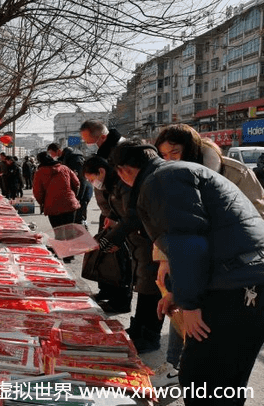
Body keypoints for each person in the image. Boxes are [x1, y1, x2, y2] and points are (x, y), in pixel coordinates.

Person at [110, 140, 264, 406]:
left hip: (239, 284)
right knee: (224, 377)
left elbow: (188, 245)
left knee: (203, 377)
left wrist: (189, 304)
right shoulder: (172, 173)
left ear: (123, 171)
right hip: (241, 276)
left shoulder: (161, 181)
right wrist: (177, 294)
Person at [150, 124, 264, 386]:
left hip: (234, 269)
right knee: (184, 313)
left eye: (174, 152)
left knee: (221, 349)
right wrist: (164, 259)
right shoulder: (171, 177)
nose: (169, 159)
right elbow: (169, 224)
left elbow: (257, 219)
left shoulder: (235, 173)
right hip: (194, 261)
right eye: (163, 155)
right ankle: (174, 367)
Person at [84, 150, 163, 349]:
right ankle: (138, 329)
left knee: (151, 288)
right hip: (137, 241)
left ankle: (149, 336)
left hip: (149, 242)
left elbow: (134, 215)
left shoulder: (127, 184)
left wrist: (113, 238)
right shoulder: (115, 184)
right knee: (143, 285)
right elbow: (124, 213)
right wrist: (115, 221)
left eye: (91, 178)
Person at [79, 119, 127, 307]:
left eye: (93, 141)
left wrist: (115, 216)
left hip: (118, 214)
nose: (92, 145)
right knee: (104, 254)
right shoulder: (105, 151)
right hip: (108, 212)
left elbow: (122, 192)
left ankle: (120, 299)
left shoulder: (121, 151)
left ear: (103, 136)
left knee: (119, 258)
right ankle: (106, 290)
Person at [33, 151, 80, 262]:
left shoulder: (39, 172)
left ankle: (63, 254)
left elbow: (37, 192)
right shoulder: (65, 168)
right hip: (69, 204)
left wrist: (42, 203)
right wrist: (73, 195)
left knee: (59, 231)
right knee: (69, 230)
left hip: (52, 205)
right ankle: (70, 254)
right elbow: (77, 183)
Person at [48, 143, 92, 228]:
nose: (51, 155)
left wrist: (78, 196)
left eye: (51, 152)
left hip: (82, 191)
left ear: (58, 151)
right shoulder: (64, 159)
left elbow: (81, 179)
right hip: (73, 193)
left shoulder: (74, 159)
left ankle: (83, 238)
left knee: (79, 219)